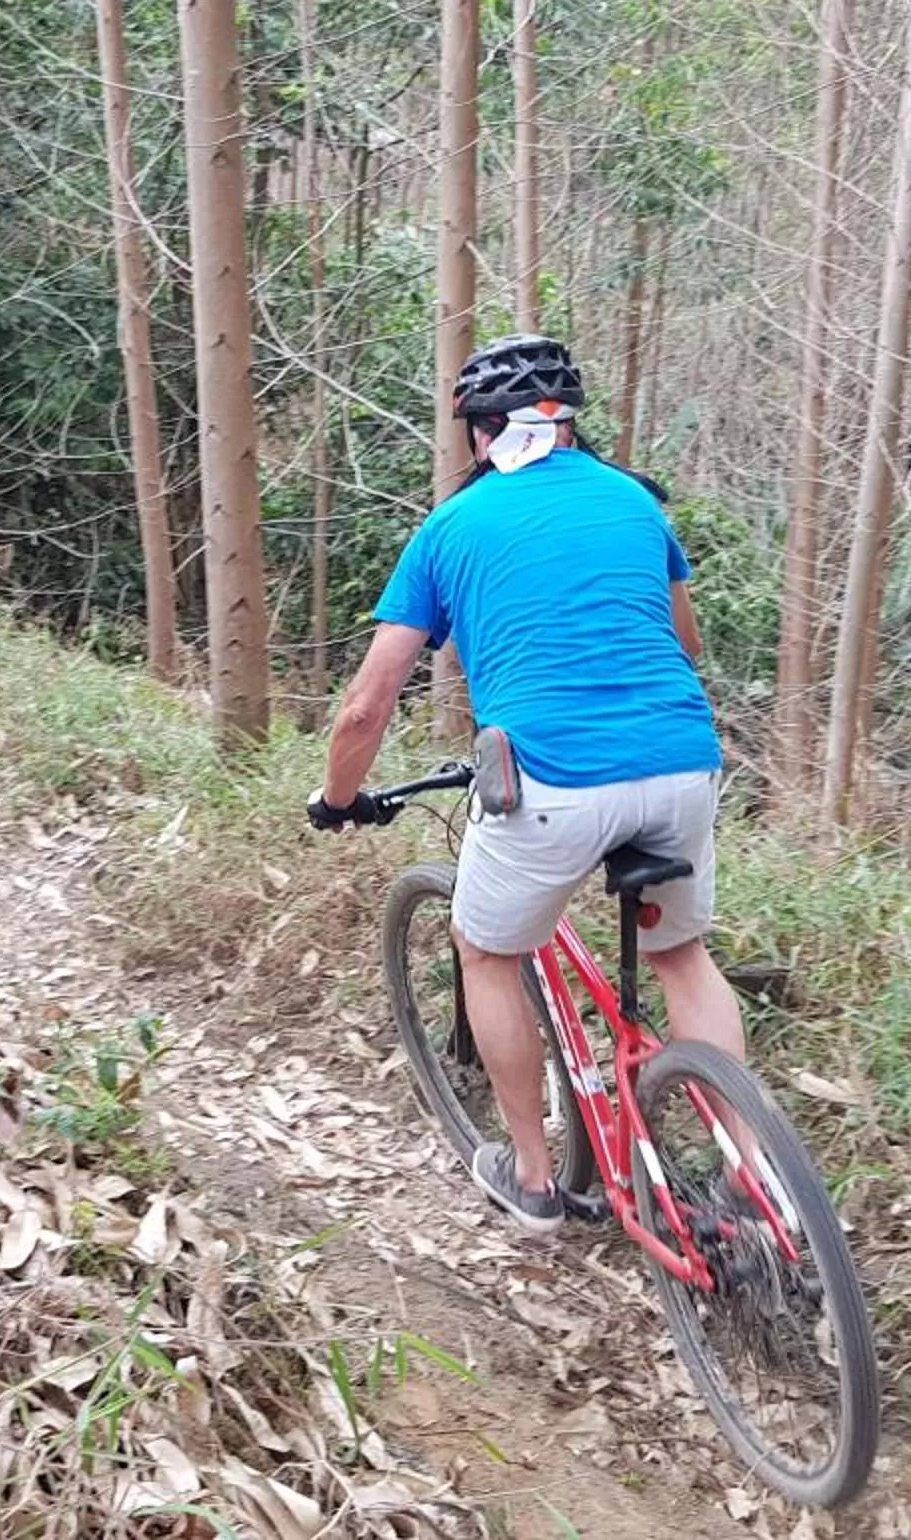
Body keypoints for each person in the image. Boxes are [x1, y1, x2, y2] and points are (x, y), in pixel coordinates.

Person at [306, 333, 744, 1233]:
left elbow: (366, 706)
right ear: (569, 423)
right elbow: (686, 644)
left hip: (551, 779)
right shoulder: (634, 501)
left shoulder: (452, 527)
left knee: (486, 952)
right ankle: (750, 1169)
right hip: (682, 762)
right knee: (681, 956)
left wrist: (339, 798)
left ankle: (536, 1179)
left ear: (480, 431)